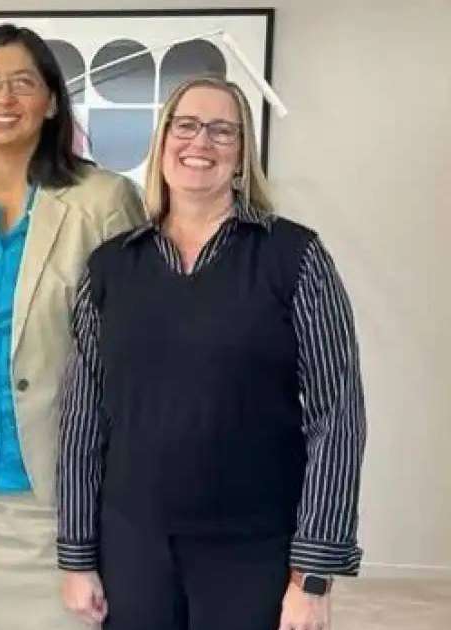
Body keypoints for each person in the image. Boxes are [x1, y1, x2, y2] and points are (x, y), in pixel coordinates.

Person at [57, 76, 367, 630]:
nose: (201, 142)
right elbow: (82, 420)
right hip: (134, 550)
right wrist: (77, 557)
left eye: (223, 130)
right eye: (187, 125)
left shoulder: (294, 258)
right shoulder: (110, 268)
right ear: (163, 141)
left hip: (253, 551)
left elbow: (336, 418)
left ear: (243, 153)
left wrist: (312, 574)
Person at [0, 25, 143, 630]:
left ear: (51, 103)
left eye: (24, 82)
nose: (4, 96)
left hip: (63, 496)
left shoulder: (104, 200)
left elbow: (133, 356)